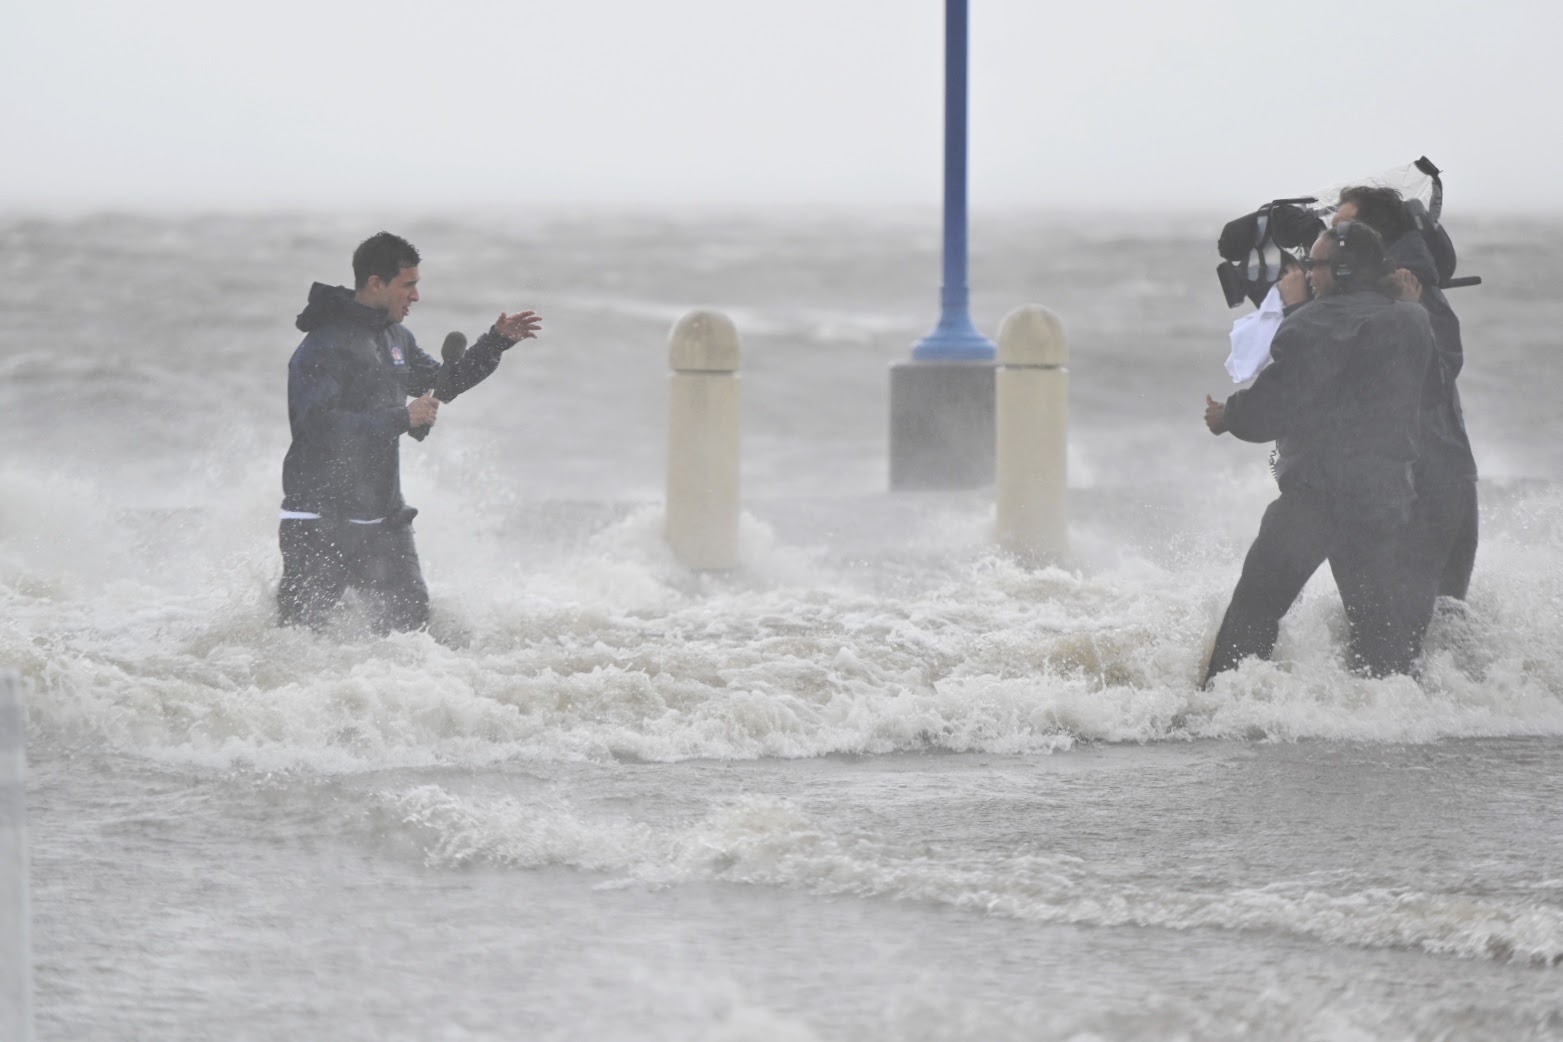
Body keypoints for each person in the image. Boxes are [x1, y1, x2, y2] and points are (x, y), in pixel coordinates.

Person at [1201, 221, 1436, 686]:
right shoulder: (1412, 318)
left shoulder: (1309, 322)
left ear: (1344, 270)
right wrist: (1403, 305)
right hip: (1382, 499)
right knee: (1379, 637)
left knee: (1254, 611)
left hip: (1315, 499)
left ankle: (1216, 705)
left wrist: (1228, 416)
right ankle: (1391, 717)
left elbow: (1274, 406)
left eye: (1316, 263)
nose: (1308, 272)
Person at [277, 231, 542, 634]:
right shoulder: (322, 346)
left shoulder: (396, 338)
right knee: (300, 644)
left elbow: (442, 383)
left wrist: (495, 343)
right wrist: (402, 418)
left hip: (383, 519)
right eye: (409, 284)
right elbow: (317, 428)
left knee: (411, 637)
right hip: (318, 520)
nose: (416, 295)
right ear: (376, 284)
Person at [1333, 185, 1478, 603]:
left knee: (1434, 618)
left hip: (1436, 482)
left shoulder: (1414, 291)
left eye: (1340, 229)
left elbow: (1433, 381)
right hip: (1408, 479)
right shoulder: (1365, 293)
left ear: (1372, 235)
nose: (1327, 239)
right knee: (1391, 626)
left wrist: (1408, 310)